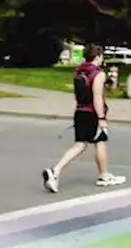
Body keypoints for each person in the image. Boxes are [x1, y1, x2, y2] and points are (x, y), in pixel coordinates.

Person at [42, 43, 126, 192]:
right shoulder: (98, 74)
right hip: (92, 113)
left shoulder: (79, 71)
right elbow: (97, 97)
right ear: (98, 56)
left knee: (80, 144)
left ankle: (55, 171)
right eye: (101, 57)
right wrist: (101, 118)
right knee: (100, 141)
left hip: (80, 111)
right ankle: (104, 176)